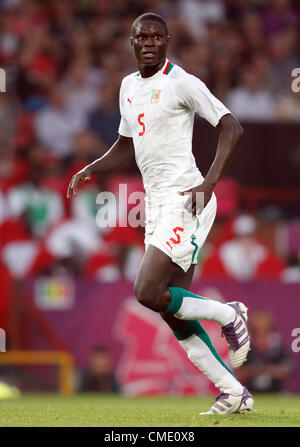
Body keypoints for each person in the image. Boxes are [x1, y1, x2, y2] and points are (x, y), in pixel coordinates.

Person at [67, 12, 252, 415]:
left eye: (155, 36)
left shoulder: (182, 82)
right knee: (168, 309)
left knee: (146, 291)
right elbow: (125, 143)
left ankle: (228, 313)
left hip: (187, 198)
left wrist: (208, 184)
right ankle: (233, 392)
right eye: (141, 37)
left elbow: (232, 127)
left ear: (167, 41)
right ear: (131, 43)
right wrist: (92, 167)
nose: (148, 42)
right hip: (158, 206)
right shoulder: (128, 86)